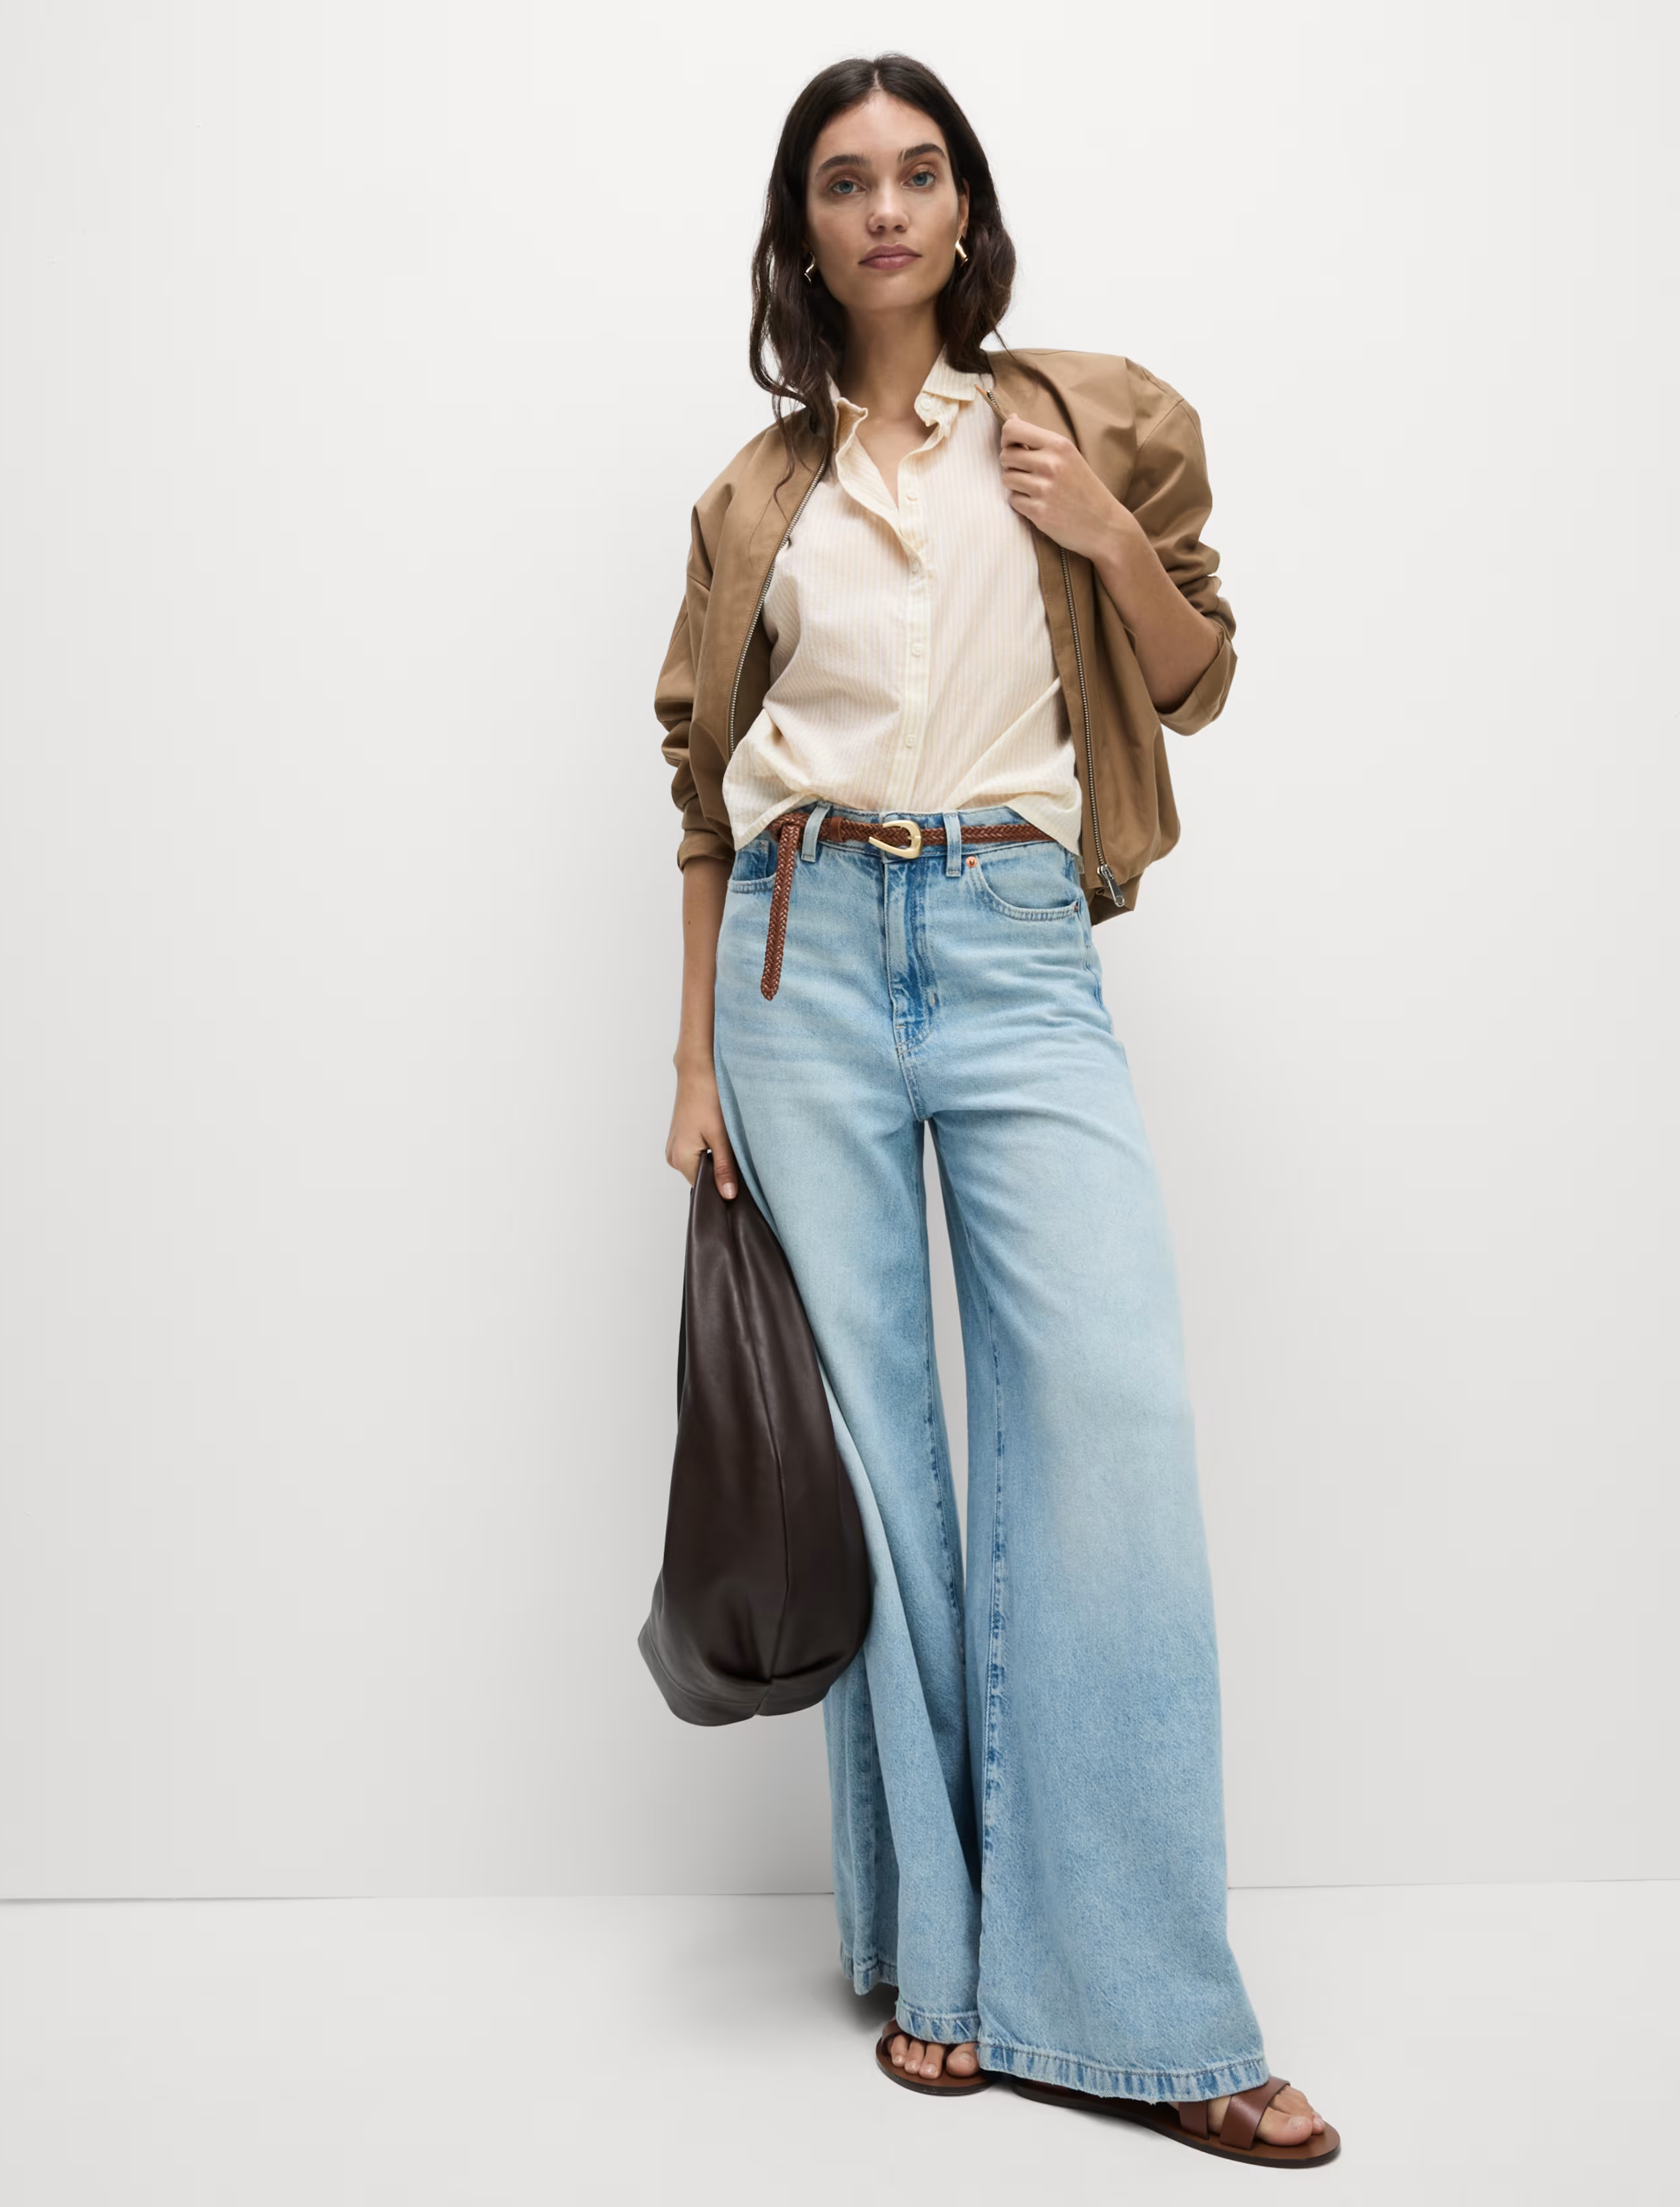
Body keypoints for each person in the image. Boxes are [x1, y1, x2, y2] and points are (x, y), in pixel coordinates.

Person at [655, 53, 1339, 2171]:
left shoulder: (1090, 417)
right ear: (802, 230)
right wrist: (688, 1066)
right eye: (843, 181)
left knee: (1107, 1430)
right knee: (879, 1470)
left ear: (966, 205)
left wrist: (1102, 533)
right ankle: (946, 1972)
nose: (885, 208)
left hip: (1019, 940)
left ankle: (1147, 2005)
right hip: (797, 961)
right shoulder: (754, 496)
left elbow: (1196, 672)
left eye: (918, 171)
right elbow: (703, 796)